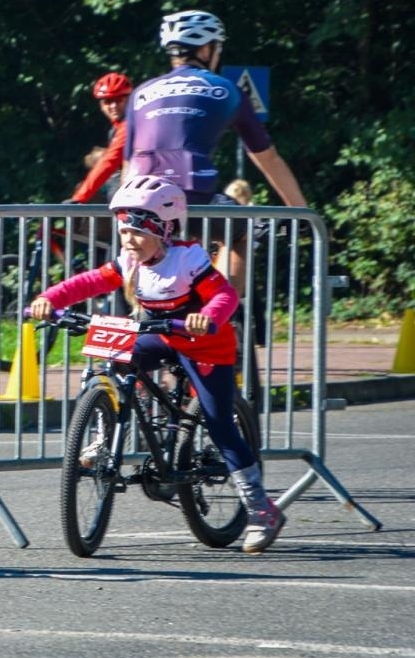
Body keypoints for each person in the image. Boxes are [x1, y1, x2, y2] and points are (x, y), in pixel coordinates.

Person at [27, 175, 284, 553]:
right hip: (160, 334)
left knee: (220, 424)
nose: (128, 239)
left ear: (165, 229)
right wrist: (49, 298)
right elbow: (90, 282)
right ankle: (103, 436)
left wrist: (208, 316)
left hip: (205, 344)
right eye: (123, 230)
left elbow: (225, 295)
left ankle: (262, 509)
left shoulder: (188, 259)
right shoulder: (130, 261)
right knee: (110, 357)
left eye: (138, 231)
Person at [123, 10, 308, 290]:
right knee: (243, 233)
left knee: (141, 258)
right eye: (217, 48)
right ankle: (219, 307)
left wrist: (125, 211)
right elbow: (267, 157)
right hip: (192, 195)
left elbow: (128, 165)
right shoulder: (226, 89)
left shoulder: (140, 93)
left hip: (136, 198)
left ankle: (139, 307)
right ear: (206, 49)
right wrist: (300, 211)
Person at [68, 72, 133, 203]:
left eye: (119, 99)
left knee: (113, 183)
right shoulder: (116, 128)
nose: (113, 106)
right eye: (108, 101)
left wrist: (79, 198)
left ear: (128, 99)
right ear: (101, 105)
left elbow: (110, 161)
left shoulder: (130, 124)